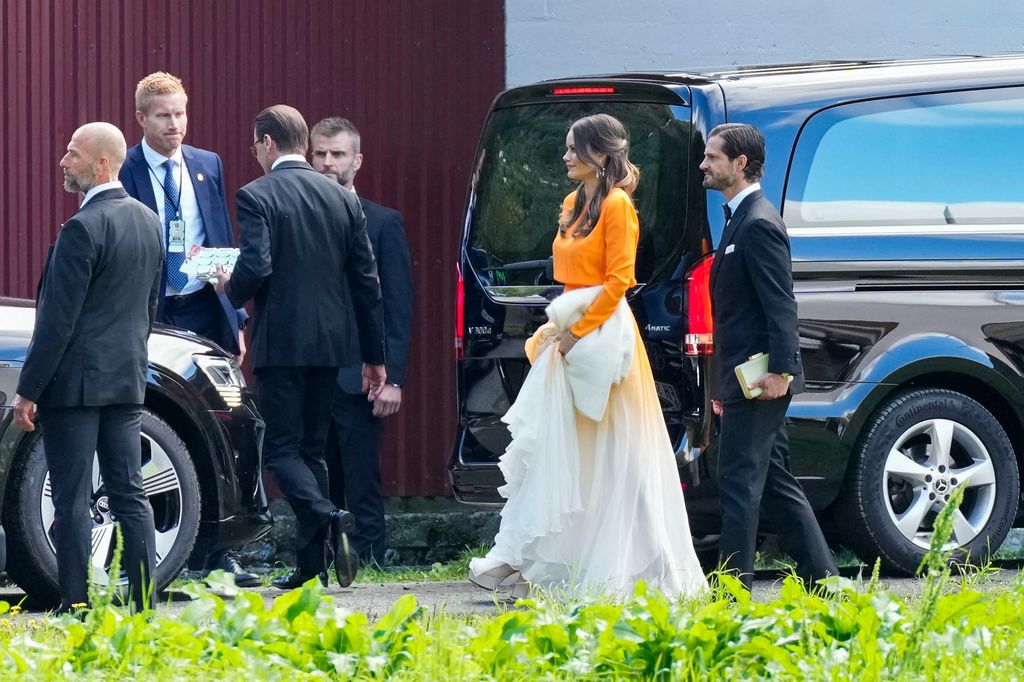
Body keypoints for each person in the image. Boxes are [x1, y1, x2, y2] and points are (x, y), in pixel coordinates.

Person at [468, 114, 708, 599]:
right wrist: (557, 327)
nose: (566, 157)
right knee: (564, 450)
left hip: (603, 338)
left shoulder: (619, 207)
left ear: (599, 155)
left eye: (574, 149)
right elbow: (566, 277)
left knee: (615, 452)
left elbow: (619, 280)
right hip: (568, 329)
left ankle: (626, 562)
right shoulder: (571, 202)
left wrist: (577, 331)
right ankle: (536, 557)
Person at [214, 105, 386, 590]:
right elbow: (367, 282)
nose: (255, 155)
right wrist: (375, 358)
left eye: (254, 147)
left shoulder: (256, 195)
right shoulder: (342, 198)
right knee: (313, 453)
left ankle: (328, 515)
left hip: (283, 343)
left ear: (268, 143)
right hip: (333, 345)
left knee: (282, 453)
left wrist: (230, 285)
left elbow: (257, 266)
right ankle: (312, 568)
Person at [13, 122, 162, 613]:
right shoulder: (147, 221)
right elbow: (149, 308)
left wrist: (28, 390)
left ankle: (75, 604)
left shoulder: (82, 228)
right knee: (130, 494)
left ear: (102, 163)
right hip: (126, 380)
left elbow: (57, 322)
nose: (63, 161)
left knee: (72, 498)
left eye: (72, 154)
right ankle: (143, 603)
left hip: (74, 388)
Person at [118, 71, 259, 587]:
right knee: (158, 421)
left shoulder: (206, 165)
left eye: (179, 114)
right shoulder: (126, 168)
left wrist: (235, 314)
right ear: (141, 119)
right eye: (163, 116)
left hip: (203, 307)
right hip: (153, 313)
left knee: (220, 424)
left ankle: (219, 554)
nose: (174, 125)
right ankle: (159, 545)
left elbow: (217, 234)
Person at [699, 122, 838, 590]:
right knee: (774, 481)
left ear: (739, 164)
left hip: (760, 380)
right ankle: (827, 582)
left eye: (712, 157)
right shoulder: (740, 219)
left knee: (737, 482)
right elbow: (738, 314)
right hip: (741, 379)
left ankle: (730, 592)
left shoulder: (758, 223)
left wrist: (782, 371)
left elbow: (782, 305)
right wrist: (722, 385)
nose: (704, 164)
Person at [310, 117, 413, 566]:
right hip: (311, 371)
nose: (329, 162)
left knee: (361, 473)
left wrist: (395, 377)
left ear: (357, 160)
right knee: (316, 472)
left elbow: (398, 307)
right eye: (321, 153)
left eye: (338, 154)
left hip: (362, 374)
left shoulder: (384, 223)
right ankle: (324, 556)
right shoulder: (298, 216)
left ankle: (370, 556)